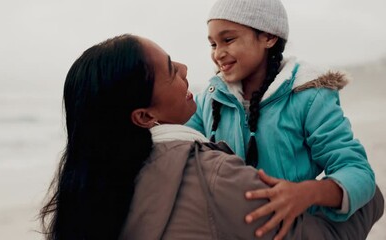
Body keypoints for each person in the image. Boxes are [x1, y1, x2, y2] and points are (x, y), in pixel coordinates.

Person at [39, 34, 383, 240]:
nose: (189, 69)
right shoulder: (215, 176)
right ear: (144, 117)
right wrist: (358, 193)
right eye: (172, 70)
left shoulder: (91, 191)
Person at [185, 0, 378, 238]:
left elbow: (357, 171)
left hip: (292, 230)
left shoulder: (308, 96)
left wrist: (306, 193)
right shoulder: (210, 100)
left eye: (228, 40)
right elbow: (180, 150)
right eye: (213, 44)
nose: (218, 53)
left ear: (268, 38)